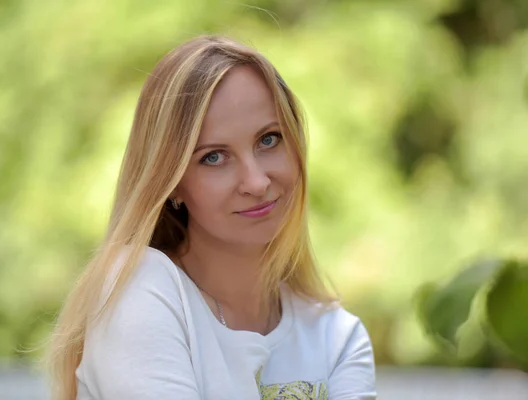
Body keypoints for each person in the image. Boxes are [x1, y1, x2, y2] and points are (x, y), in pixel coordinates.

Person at [47, 35, 377, 400]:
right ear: (170, 181)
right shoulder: (139, 288)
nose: (256, 181)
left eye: (269, 139)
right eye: (214, 157)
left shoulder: (337, 338)